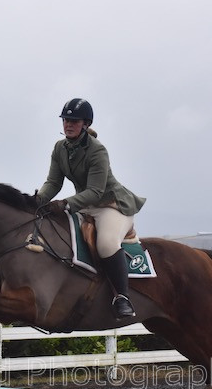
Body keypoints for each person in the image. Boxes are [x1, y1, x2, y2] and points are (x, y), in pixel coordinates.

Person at [36, 98, 146, 319]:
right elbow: (54, 183)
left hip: (111, 205)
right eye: (66, 120)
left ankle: (122, 297)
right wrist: (37, 200)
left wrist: (66, 204)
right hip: (84, 206)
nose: (68, 124)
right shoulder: (60, 148)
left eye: (74, 121)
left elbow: (96, 192)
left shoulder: (97, 151)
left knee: (106, 244)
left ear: (85, 124)